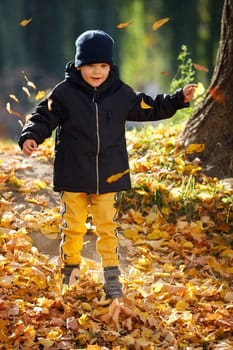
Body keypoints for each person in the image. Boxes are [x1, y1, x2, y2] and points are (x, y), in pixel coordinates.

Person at [18, 29, 196, 299]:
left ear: (110, 66)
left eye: (103, 65)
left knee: (106, 226)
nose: (97, 71)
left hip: (108, 176)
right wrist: (31, 135)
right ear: (79, 65)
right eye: (90, 65)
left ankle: (112, 276)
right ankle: (70, 271)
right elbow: (44, 116)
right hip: (73, 173)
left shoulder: (120, 93)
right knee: (73, 225)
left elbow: (148, 107)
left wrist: (176, 100)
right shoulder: (64, 93)